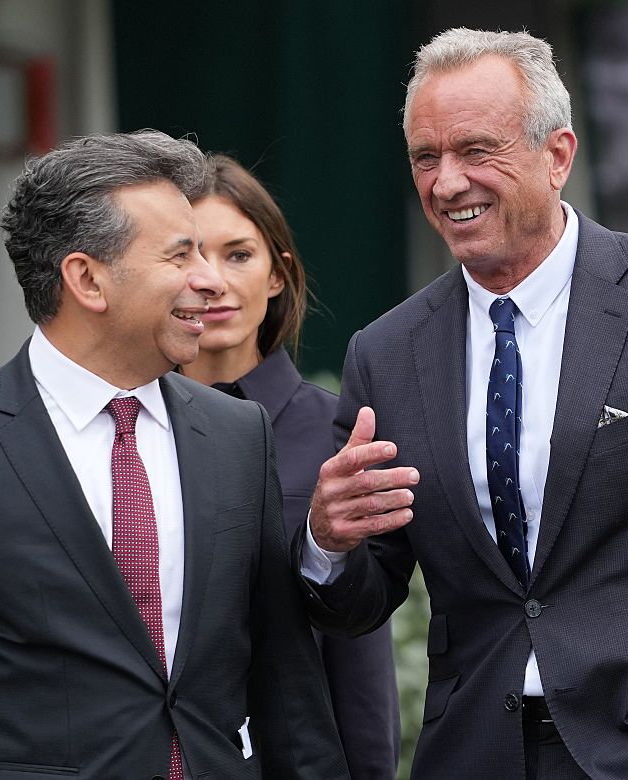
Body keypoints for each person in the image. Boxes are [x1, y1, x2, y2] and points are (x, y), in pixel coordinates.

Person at [295, 28, 628, 780]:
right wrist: (328, 542)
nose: (447, 183)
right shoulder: (384, 352)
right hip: (473, 754)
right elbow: (363, 597)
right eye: (426, 157)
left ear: (557, 156)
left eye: (476, 150)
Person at [0, 131, 347, 779]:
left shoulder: (237, 435)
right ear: (87, 278)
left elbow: (289, 688)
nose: (209, 282)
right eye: (180, 256)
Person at [179, 154, 400, 778]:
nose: (212, 280)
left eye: (238, 254)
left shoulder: (338, 433)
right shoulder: (124, 436)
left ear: (280, 274)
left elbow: (359, 655)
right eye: (188, 255)